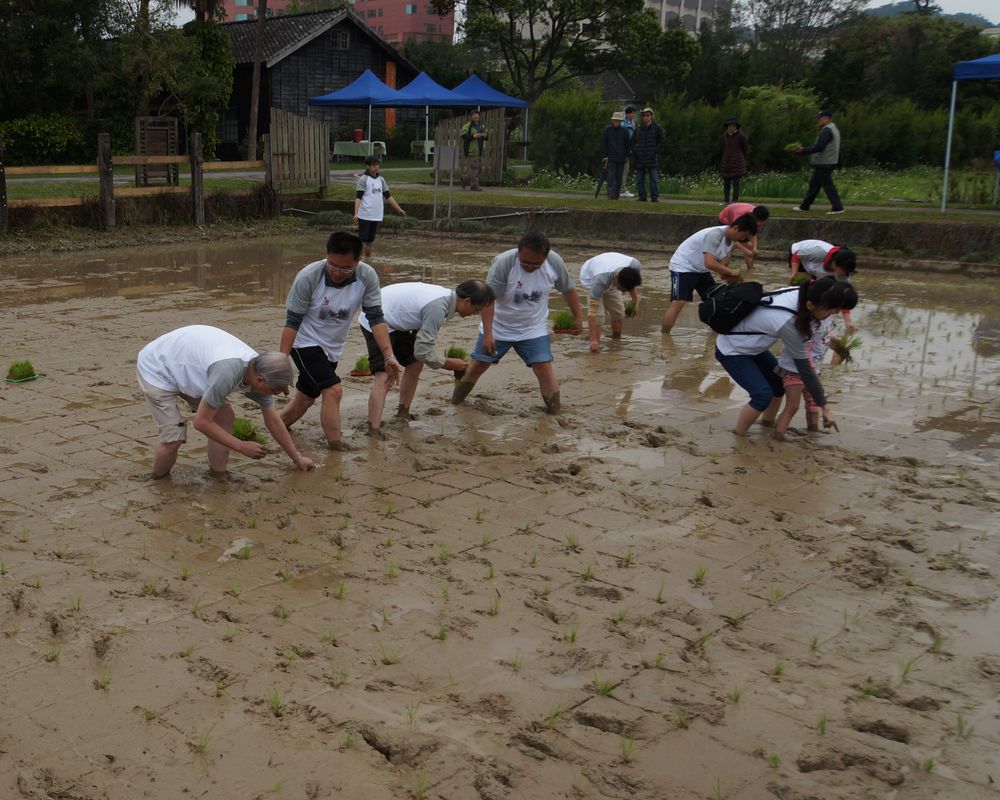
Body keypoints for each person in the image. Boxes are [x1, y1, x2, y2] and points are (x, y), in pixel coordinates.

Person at [136, 325, 314, 478]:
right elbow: (201, 422)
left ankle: (218, 476)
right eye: (275, 391)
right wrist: (240, 446)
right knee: (174, 438)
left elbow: (273, 421)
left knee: (224, 417)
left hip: (190, 367)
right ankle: (159, 483)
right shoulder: (227, 372)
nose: (275, 395)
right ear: (260, 380)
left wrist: (297, 458)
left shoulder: (261, 368)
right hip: (158, 368)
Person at [279, 231, 401, 449]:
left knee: (306, 398)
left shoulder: (367, 276)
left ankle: (276, 425)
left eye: (345, 268)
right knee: (333, 390)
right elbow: (292, 321)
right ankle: (335, 448)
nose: (337, 272)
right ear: (326, 255)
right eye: (332, 265)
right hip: (304, 342)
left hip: (332, 347)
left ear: (358, 261)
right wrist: (281, 361)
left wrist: (388, 355)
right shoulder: (309, 276)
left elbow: (375, 317)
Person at [451, 231, 583, 414]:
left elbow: (568, 290)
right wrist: (488, 334)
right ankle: (455, 405)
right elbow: (488, 300)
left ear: (545, 257)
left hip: (533, 328)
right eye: (525, 262)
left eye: (536, 264)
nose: (530, 267)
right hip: (499, 326)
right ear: (518, 252)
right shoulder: (504, 263)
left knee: (543, 368)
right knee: (478, 365)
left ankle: (555, 414)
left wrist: (578, 318)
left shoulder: (554, 262)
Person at [715, 276, 858, 436]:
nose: (833, 313)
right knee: (762, 395)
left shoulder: (805, 293)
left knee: (777, 384)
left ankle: (767, 425)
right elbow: (805, 370)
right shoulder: (787, 320)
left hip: (755, 348)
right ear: (810, 305)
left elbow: (821, 337)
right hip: (733, 350)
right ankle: (739, 437)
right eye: (830, 309)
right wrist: (824, 408)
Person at [359, 279, 495, 430]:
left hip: (394, 317)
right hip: (375, 319)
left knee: (415, 363)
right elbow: (423, 352)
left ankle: (403, 413)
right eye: (476, 310)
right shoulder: (438, 307)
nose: (474, 314)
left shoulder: (446, 299)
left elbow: (420, 346)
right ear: (467, 301)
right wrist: (450, 364)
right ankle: (373, 430)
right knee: (384, 376)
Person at [661, 214, 758, 333]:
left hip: (701, 269)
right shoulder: (715, 235)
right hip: (683, 266)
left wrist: (738, 279)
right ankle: (665, 337)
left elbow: (721, 269)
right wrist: (732, 272)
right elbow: (710, 263)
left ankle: (717, 331)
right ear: (736, 228)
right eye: (744, 236)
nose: (743, 240)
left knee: (718, 300)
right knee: (679, 302)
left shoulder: (732, 242)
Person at [579, 252, 642, 352]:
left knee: (619, 313)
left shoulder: (634, 266)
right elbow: (592, 312)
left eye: (625, 290)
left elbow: (631, 286)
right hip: (590, 279)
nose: (623, 292)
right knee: (599, 317)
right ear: (617, 279)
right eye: (622, 289)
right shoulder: (600, 281)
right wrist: (593, 339)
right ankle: (595, 345)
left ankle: (616, 341)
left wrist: (635, 304)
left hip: (610, 273)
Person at [353, 156, 406, 259]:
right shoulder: (363, 179)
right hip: (365, 215)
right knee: (361, 240)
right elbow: (358, 197)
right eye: (374, 165)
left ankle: (368, 260)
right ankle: (356, 260)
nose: (376, 167)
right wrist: (356, 213)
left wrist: (399, 209)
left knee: (370, 240)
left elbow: (388, 196)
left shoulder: (381, 179)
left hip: (376, 216)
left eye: (377, 165)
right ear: (368, 166)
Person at [793, 110, 844, 215]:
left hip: (824, 163)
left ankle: (838, 208)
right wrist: (839, 164)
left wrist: (802, 150)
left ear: (825, 119)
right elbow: (837, 149)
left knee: (828, 186)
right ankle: (804, 207)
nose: (818, 121)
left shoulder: (826, 130)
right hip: (829, 162)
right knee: (814, 186)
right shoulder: (835, 129)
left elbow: (819, 147)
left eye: (819, 118)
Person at [719, 203, 769, 273]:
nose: (760, 225)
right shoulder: (739, 217)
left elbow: (753, 233)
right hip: (725, 220)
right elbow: (733, 238)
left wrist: (754, 248)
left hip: (738, 221)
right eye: (759, 223)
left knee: (749, 247)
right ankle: (723, 267)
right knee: (730, 246)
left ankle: (750, 270)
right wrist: (745, 250)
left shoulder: (756, 215)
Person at [633, 107, 664, 203]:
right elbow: (632, 142)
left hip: (651, 157)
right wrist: (636, 152)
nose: (645, 117)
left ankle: (654, 197)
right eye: (644, 115)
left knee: (654, 179)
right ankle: (642, 197)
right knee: (639, 180)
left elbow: (661, 141)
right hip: (640, 158)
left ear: (651, 116)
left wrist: (655, 151)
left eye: (647, 115)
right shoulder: (638, 128)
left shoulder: (657, 128)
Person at [601, 111, 631, 200]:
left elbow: (627, 145)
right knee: (611, 178)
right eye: (615, 120)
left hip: (621, 158)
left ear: (620, 121)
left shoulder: (624, 131)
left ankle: (616, 196)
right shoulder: (607, 130)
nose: (616, 122)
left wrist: (626, 156)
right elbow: (604, 144)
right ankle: (610, 195)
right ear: (612, 120)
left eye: (618, 120)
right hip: (610, 158)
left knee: (619, 178)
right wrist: (605, 156)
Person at [719, 116, 748, 205]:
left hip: (737, 163)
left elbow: (745, 148)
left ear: (736, 127)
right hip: (727, 163)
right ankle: (726, 200)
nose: (731, 127)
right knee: (726, 183)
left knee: (736, 184)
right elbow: (722, 148)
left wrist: (741, 158)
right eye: (729, 126)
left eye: (733, 126)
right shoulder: (725, 136)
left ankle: (735, 201)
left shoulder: (741, 136)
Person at [460, 110, 489, 192]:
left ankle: (465, 179)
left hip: (479, 151)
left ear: (479, 116)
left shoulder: (482, 125)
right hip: (471, 151)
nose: (476, 117)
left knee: (479, 169)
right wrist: (473, 136)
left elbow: (487, 136)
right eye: (474, 115)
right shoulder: (467, 126)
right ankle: (474, 186)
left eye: (477, 115)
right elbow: (464, 136)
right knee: (475, 169)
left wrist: (485, 135)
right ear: (471, 117)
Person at [620, 107, 637, 198]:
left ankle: (621, 189)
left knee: (625, 171)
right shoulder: (623, 124)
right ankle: (622, 190)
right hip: (624, 151)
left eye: (633, 113)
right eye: (630, 113)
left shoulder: (633, 124)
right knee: (624, 171)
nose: (632, 115)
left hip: (630, 150)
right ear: (626, 114)